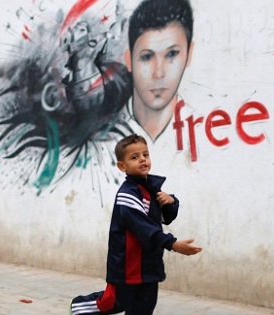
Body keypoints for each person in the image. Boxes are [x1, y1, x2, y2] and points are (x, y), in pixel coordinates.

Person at [70, 134, 202, 314]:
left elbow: (164, 218)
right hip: (127, 266)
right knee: (114, 302)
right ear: (122, 166)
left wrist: (171, 202)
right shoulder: (128, 194)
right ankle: (78, 307)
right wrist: (173, 244)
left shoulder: (151, 189)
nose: (142, 159)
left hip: (149, 264)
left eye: (145, 155)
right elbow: (143, 227)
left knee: (144, 306)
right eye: (134, 157)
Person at [122, 0, 194, 142]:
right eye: (147, 57)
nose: (159, 73)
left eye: (172, 54)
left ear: (189, 54)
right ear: (129, 60)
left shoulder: (205, 129)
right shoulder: (99, 143)